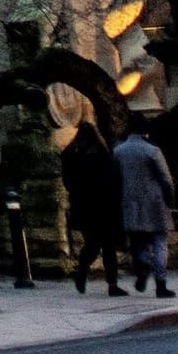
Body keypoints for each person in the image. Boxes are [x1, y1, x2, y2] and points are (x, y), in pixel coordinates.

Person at [112, 122, 176, 300]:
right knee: (159, 242)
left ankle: (144, 264)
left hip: (130, 202)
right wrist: (170, 198)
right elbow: (166, 179)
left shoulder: (118, 151)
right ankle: (161, 284)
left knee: (139, 241)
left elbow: (115, 178)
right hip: (155, 202)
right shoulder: (152, 151)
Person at [60, 118, 121, 295]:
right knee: (108, 246)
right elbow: (111, 181)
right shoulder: (102, 153)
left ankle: (82, 271)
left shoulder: (70, 154)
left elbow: (68, 182)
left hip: (83, 207)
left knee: (92, 243)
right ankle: (112, 284)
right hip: (103, 206)